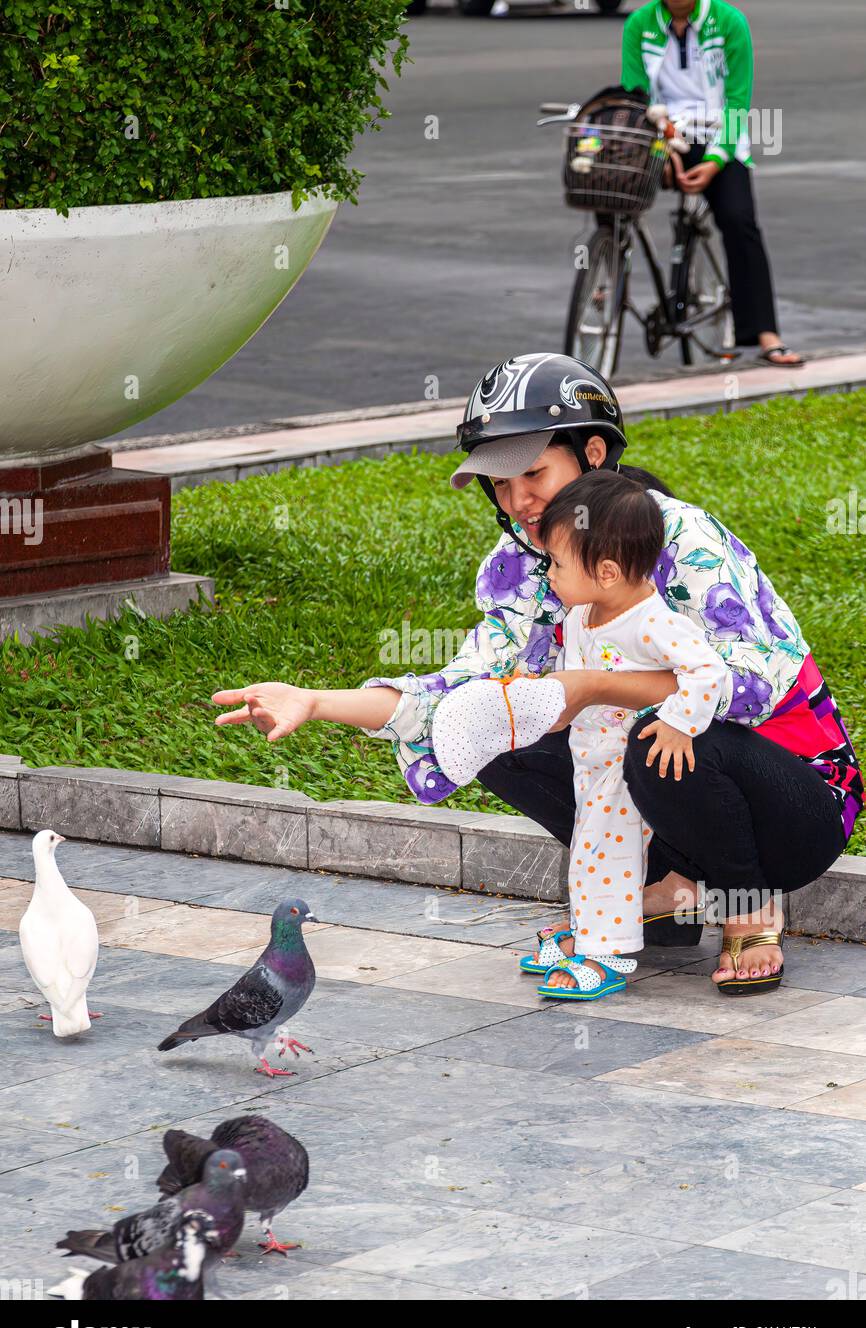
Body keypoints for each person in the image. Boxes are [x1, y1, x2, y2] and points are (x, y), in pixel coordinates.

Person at [212, 353, 862, 994]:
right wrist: (314, 701)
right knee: (487, 720)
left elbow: (755, 682)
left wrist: (597, 688)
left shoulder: (683, 539)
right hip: (668, 788)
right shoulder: (522, 563)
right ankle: (663, 892)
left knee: (661, 731)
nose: (518, 500)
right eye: (500, 484)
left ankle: (748, 905)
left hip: (796, 801)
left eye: (533, 473)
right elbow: (463, 688)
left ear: (595, 456)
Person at [430, 469, 733, 1001]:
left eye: (558, 564)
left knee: (602, 853)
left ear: (608, 570)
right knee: (590, 851)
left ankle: (605, 954)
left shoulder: (650, 622)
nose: (548, 574)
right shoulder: (588, 612)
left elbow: (709, 672)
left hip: (625, 768)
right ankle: (599, 931)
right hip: (592, 762)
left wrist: (678, 725)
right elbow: (576, 685)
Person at [621, 0, 803, 366]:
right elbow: (634, 97)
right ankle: (604, 286)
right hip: (662, 136)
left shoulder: (730, 22)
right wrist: (662, 150)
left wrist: (716, 160)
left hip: (719, 136)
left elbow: (737, 102)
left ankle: (766, 333)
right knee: (612, 186)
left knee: (739, 220)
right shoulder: (639, 24)